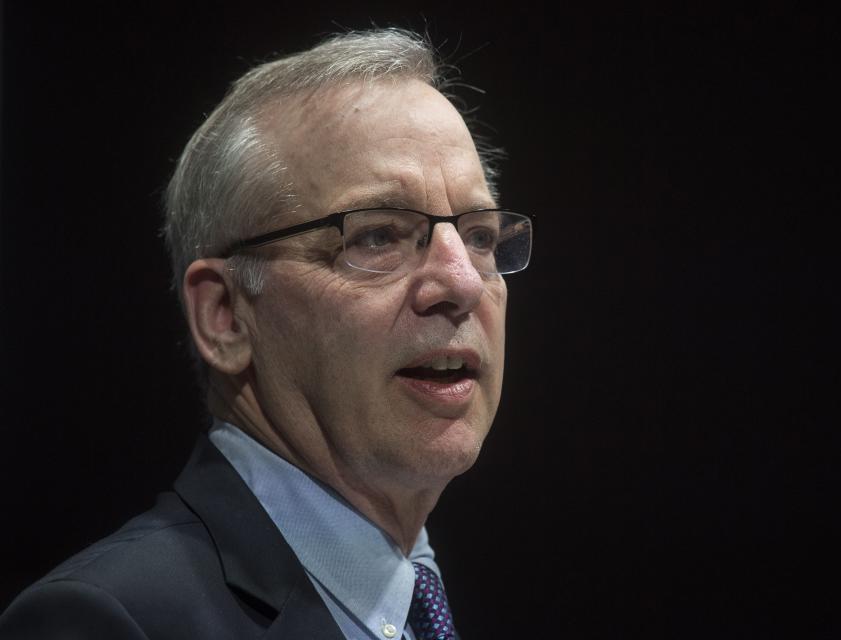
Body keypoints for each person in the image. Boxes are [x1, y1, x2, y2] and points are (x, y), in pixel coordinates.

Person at [0, 28, 533, 639]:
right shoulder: (106, 621)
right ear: (225, 315)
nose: (462, 282)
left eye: (481, 236)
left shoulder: (430, 601)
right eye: (378, 235)